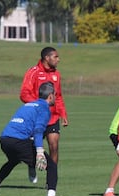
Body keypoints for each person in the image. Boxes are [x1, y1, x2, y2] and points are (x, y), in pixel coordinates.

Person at [0, 82, 65, 196]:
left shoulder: (28, 105)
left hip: (4, 139)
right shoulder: (44, 109)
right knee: (51, 165)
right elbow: (38, 130)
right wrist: (40, 152)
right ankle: (51, 195)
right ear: (50, 96)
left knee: (13, 161)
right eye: (55, 95)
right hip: (18, 141)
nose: (56, 97)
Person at [20, 47, 68, 184]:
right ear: (47, 58)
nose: (58, 59)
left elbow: (58, 96)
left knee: (54, 146)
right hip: (36, 118)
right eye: (56, 57)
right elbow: (24, 94)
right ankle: (31, 165)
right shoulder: (33, 72)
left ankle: (51, 181)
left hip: (52, 117)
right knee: (34, 147)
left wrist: (63, 113)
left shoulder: (56, 75)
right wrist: (39, 105)